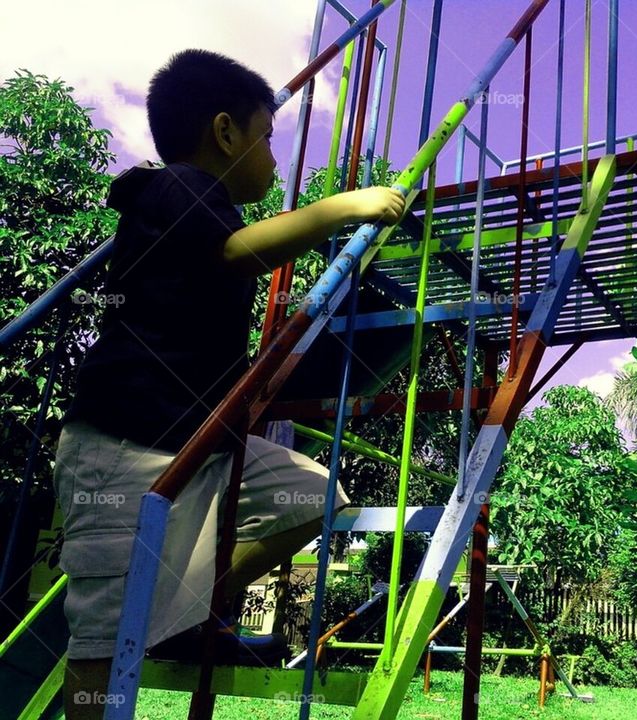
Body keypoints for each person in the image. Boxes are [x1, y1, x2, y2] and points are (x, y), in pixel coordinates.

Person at [52, 49, 405, 719]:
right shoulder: (179, 186)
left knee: (311, 493)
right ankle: (152, 624)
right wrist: (341, 208)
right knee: (103, 640)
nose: (274, 158)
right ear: (224, 133)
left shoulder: (189, 203)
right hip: (123, 445)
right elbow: (238, 254)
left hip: (194, 444)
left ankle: (184, 602)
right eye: (267, 136)